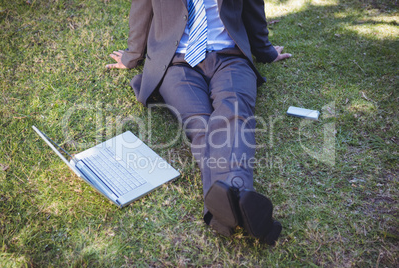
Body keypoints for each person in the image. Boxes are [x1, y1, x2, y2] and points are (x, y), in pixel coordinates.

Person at [106, 0, 291, 245]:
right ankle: (240, 197)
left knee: (234, 116)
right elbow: (141, 10)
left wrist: (265, 50)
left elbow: (253, 10)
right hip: (177, 62)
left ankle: (223, 210)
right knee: (199, 124)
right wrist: (132, 55)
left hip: (231, 58)